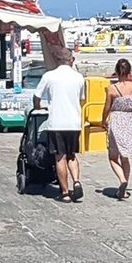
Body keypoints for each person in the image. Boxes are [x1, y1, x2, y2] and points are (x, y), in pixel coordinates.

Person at [36, 46, 88, 202]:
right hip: (74, 123)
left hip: (57, 122)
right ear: (70, 60)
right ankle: (76, 182)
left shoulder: (49, 76)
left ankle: (65, 192)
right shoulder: (79, 78)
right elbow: (81, 99)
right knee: (72, 155)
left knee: (60, 157)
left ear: (57, 60)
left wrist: (38, 107)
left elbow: (37, 96)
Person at [103, 56, 132, 199]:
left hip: (116, 120)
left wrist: (103, 120)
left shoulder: (112, 88)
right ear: (129, 71)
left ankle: (121, 179)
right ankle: (125, 186)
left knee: (112, 157)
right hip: (129, 121)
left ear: (116, 71)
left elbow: (107, 107)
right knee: (125, 156)